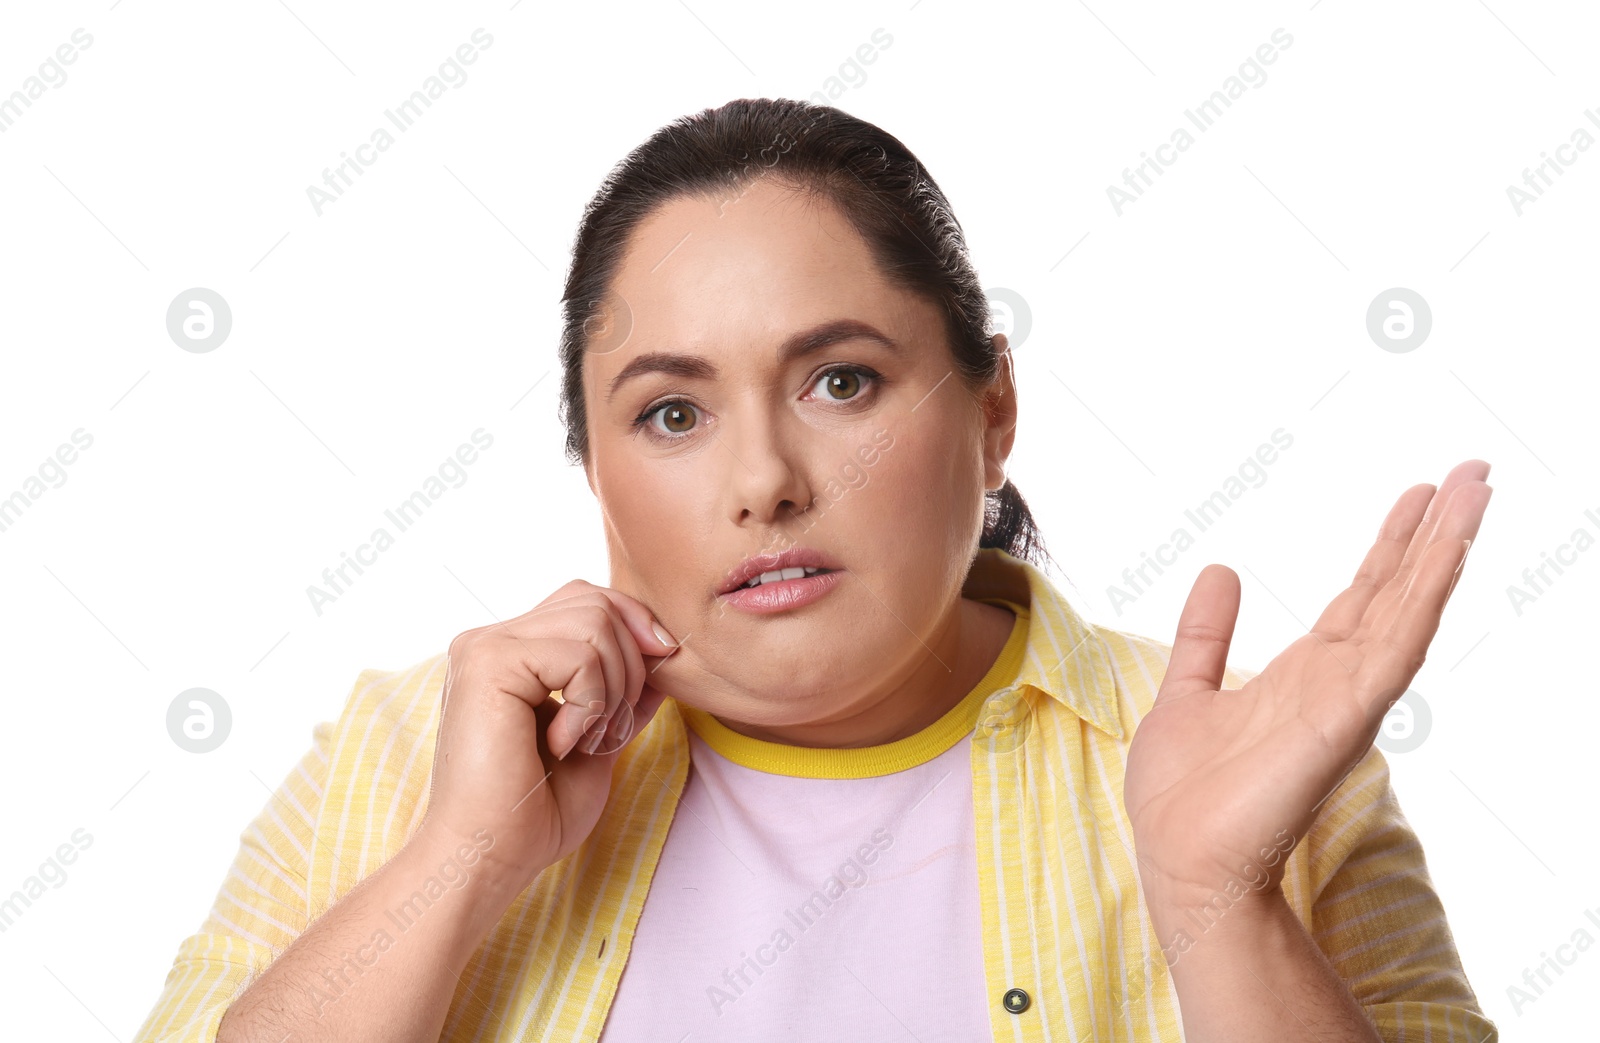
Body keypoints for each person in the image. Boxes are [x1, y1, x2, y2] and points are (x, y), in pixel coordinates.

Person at [133, 98, 1498, 1042]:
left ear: (993, 412)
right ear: (594, 467)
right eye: (672, 411)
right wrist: (464, 861)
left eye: (843, 381)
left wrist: (1222, 908)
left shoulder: (1257, 782)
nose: (763, 481)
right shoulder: (397, 757)